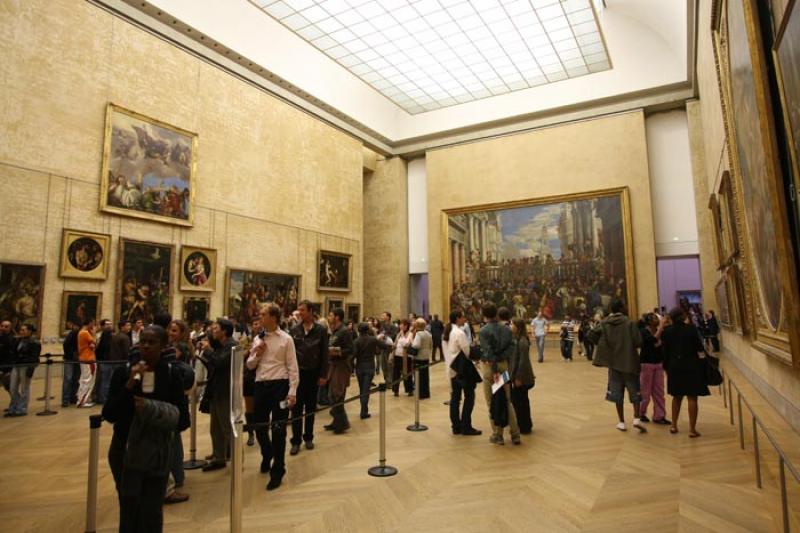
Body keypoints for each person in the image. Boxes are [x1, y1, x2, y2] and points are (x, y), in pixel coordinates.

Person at [102, 325, 189, 533]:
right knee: (128, 505)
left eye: (152, 342)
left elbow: (183, 420)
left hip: (157, 450)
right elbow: (110, 413)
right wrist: (130, 384)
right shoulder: (123, 373)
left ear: (163, 346)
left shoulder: (171, 375)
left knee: (152, 509)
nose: (146, 347)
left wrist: (151, 410)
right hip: (126, 449)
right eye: (143, 342)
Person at [247, 303, 299, 491]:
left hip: (281, 387)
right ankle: (267, 452)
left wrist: (292, 392)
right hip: (261, 386)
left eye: (263, 314)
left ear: (273, 317)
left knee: (279, 429)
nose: (259, 317)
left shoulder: (286, 339)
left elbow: (293, 367)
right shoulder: (257, 339)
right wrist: (257, 354)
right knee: (259, 426)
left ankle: (279, 468)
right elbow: (250, 365)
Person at [589, 299, 646, 433]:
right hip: (629, 362)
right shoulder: (629, 323)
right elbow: (638, 342)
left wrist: (603, 345)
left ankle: (621, 422)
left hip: (613, 363)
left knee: (617, 394)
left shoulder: (604, 323)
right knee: (635, 391)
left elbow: (591, 335)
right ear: (621, 308)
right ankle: (637, 418)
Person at [288, 300, 329, 455]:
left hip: (313, 374)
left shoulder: (321, 330)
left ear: (311, 311)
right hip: (298, 374)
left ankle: (309, 437)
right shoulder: (294, 330)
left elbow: (325, 354)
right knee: (296, 409)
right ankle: (296, 440)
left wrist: (324, 375)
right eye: (298, 310)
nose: (299, 313)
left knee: (311, 407)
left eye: (303, 310)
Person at [662, 307, 709, 438]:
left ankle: (673, 425)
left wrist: (666, 368)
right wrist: (703, 362)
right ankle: (692, 429)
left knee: (676, 397)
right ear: (682, 316)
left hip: (674, 366)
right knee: (692, 397)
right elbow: (699, 348)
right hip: (691, 365)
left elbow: (665, 352)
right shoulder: (691, 329)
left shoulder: (667, 331)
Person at [199, 319, 238, 471]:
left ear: (225, 331)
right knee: (215, 427)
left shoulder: (232, 345)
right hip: (217, 389)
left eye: (216, 328)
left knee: (227, 427)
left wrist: (208, 350)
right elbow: (214, 365)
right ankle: (219, 456)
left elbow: (221, 363)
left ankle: (235, 458)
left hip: (225, 391)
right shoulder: (221, 346)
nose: (213, 330)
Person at [479, 303, 521, 445]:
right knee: (506, 400)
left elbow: (488, 352)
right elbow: (512, 346)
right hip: (503, 365)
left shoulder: (484, 331)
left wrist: (495, 370)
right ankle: (515, 434)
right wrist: (502, 358)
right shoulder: (506, 329)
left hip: (491, 368)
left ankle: (497, 434)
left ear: (484, 315)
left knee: (492, 401)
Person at [443, 310, 481, 436]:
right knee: (469, 397)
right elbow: (467, 351)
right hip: (462, 369)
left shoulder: (447, 332)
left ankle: (456, 426)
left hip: (452, 369)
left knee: (455, 398)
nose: (465, 318)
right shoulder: (459, 333)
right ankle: (466, 426)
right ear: (458, 318)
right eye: (463, 316)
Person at [325, 308, 354, 434]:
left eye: (330, 314)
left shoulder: (344, 331)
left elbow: (351, 349)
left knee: (336, 395)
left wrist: (338, 351)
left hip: (341, 366)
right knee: (333, 395)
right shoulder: (334, 330)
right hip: (333, 365)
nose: (329, 316)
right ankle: (337, 422)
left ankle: (342, 423)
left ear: (337, 317)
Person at [639, 313, 670, 425]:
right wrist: (661, 327)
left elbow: (662, 343)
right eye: (655, 318)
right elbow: (652, 340)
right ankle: (641, 413)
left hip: (658, 363)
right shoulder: (643, 332)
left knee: (659, 391)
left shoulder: (659, 331)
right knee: (645, 391)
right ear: (648, 321)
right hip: (646, 364)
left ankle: (659, 415)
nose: (657, 320)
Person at [5, 324, 40, 417]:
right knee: (12, 388)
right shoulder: (18, 341)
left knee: (24, 388)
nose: (21, 332)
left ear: (29, 331)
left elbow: (34, 358)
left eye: (23, 330)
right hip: (16, 365)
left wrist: (30, 369)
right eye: (21, 330)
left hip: (26, 366)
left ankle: (22, 408)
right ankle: (14, 406)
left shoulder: (35, 343)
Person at [509, 318, 535, 434]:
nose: (510, 326)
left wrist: (518, 377)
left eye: (512, 324)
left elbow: (523, 361)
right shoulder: (517, 339)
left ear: (517, 327)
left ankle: (525, 426)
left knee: (521, 402)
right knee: (519, 401)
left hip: (522, 378)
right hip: (518, 376)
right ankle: (523, 424)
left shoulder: (522, 341)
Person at [353, 322, 378, 419]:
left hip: (359, 368)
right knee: (366, 390)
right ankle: (364, 411)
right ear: (368, 330)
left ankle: (363, 410)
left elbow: (353, 355)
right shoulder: (372, 339)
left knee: (362, 389)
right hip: (370, 367)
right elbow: (383, 346)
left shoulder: (356, 341)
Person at [244, 318, 260, 447]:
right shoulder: (246, 340)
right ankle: (250, 433)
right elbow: (239, 355)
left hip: (262, 375)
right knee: (249, 407)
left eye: (259, 323)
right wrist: (249, 351)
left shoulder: (267, 339)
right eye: (255, 323)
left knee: (260, 406)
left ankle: (261, 431)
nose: (257, 325)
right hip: (249, 376)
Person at [410, 318, 432, 399]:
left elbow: (416, 345)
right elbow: (431, 345)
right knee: (425, 376)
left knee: (419, 376)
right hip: (426, 356)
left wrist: (411, 341)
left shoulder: (419, 334)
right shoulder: (428, 334)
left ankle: (420, 394)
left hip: (419, 357)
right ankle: (426, 393)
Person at [77, 319, 97, 408]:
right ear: (89, 324)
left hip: (84, 358)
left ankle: (81, 399)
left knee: (84, 379)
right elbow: (94, 342)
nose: (93, 326)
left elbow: (92, 345)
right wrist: (94, 333)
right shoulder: (85, 333)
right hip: (88, 359)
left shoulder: (81, 332)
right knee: (88, 380)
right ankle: (83, 401)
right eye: (92, 324)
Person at [391, 319, 413, 397]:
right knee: (396, 374)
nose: (400, 326)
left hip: (405, 358)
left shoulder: (410, 334)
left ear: (406, 326)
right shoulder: (398, 334)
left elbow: (406, 343)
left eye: (402, 325)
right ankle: (395, 390)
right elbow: (396, 343)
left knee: (407, 374)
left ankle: (409, 390)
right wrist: (393, 344)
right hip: (397, 356)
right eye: (400, 324)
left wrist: (403, 336)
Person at [95, 319, 114, 404]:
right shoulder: (103, 335)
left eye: (110, 324)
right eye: (107, 324)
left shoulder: (109, 335)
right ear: (102, 326)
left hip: (105, 360)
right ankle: (103, 398)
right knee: (104, 380)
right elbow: (101, 348)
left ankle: (101, 397)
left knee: (104, 380)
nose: (109, 326)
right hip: (104, 360)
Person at [61, 321, 80, 407]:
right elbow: (66, 344)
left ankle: (72, 398)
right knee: (69, 379)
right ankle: (66, 399)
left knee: (74, 379)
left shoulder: (77, 333)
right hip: (71, 359)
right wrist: (72, 354)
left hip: (75, 358)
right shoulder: (73, 334)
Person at [376, 311, 397, 378]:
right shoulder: (382, 326)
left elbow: (394, 336)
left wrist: (384, 337)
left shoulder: (393, 326)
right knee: (383, 365)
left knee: (389, 365)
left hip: (390, 348)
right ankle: (386, 380)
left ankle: (390, 381)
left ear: (388, 317)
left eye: (383, 316)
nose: (382, 317)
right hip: (382, 348)